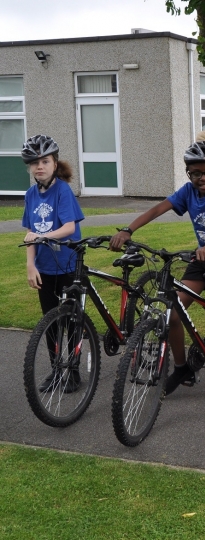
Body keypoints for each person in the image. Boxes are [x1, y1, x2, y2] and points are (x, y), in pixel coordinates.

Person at [110, 141, 205, 420]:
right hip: (201, 262)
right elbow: (158, 209)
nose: (204, 178)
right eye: (196, 173)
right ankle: (181, 368)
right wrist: (128, 229)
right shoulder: (188, 192)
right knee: (173, 313)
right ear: (189, 174)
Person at [21, 134, 85, 392]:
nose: (40, 166)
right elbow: (29, 232)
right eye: (34, 162)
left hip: (68, 265)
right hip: (45, 267)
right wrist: (30, 264)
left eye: (45, 161)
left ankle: (74, 372)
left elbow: (69, 228)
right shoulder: (30, 194)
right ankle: (57, 369)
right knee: (50, 323)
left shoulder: (63, 191)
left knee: (71, 322)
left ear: (55, 163)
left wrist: (42, 235)